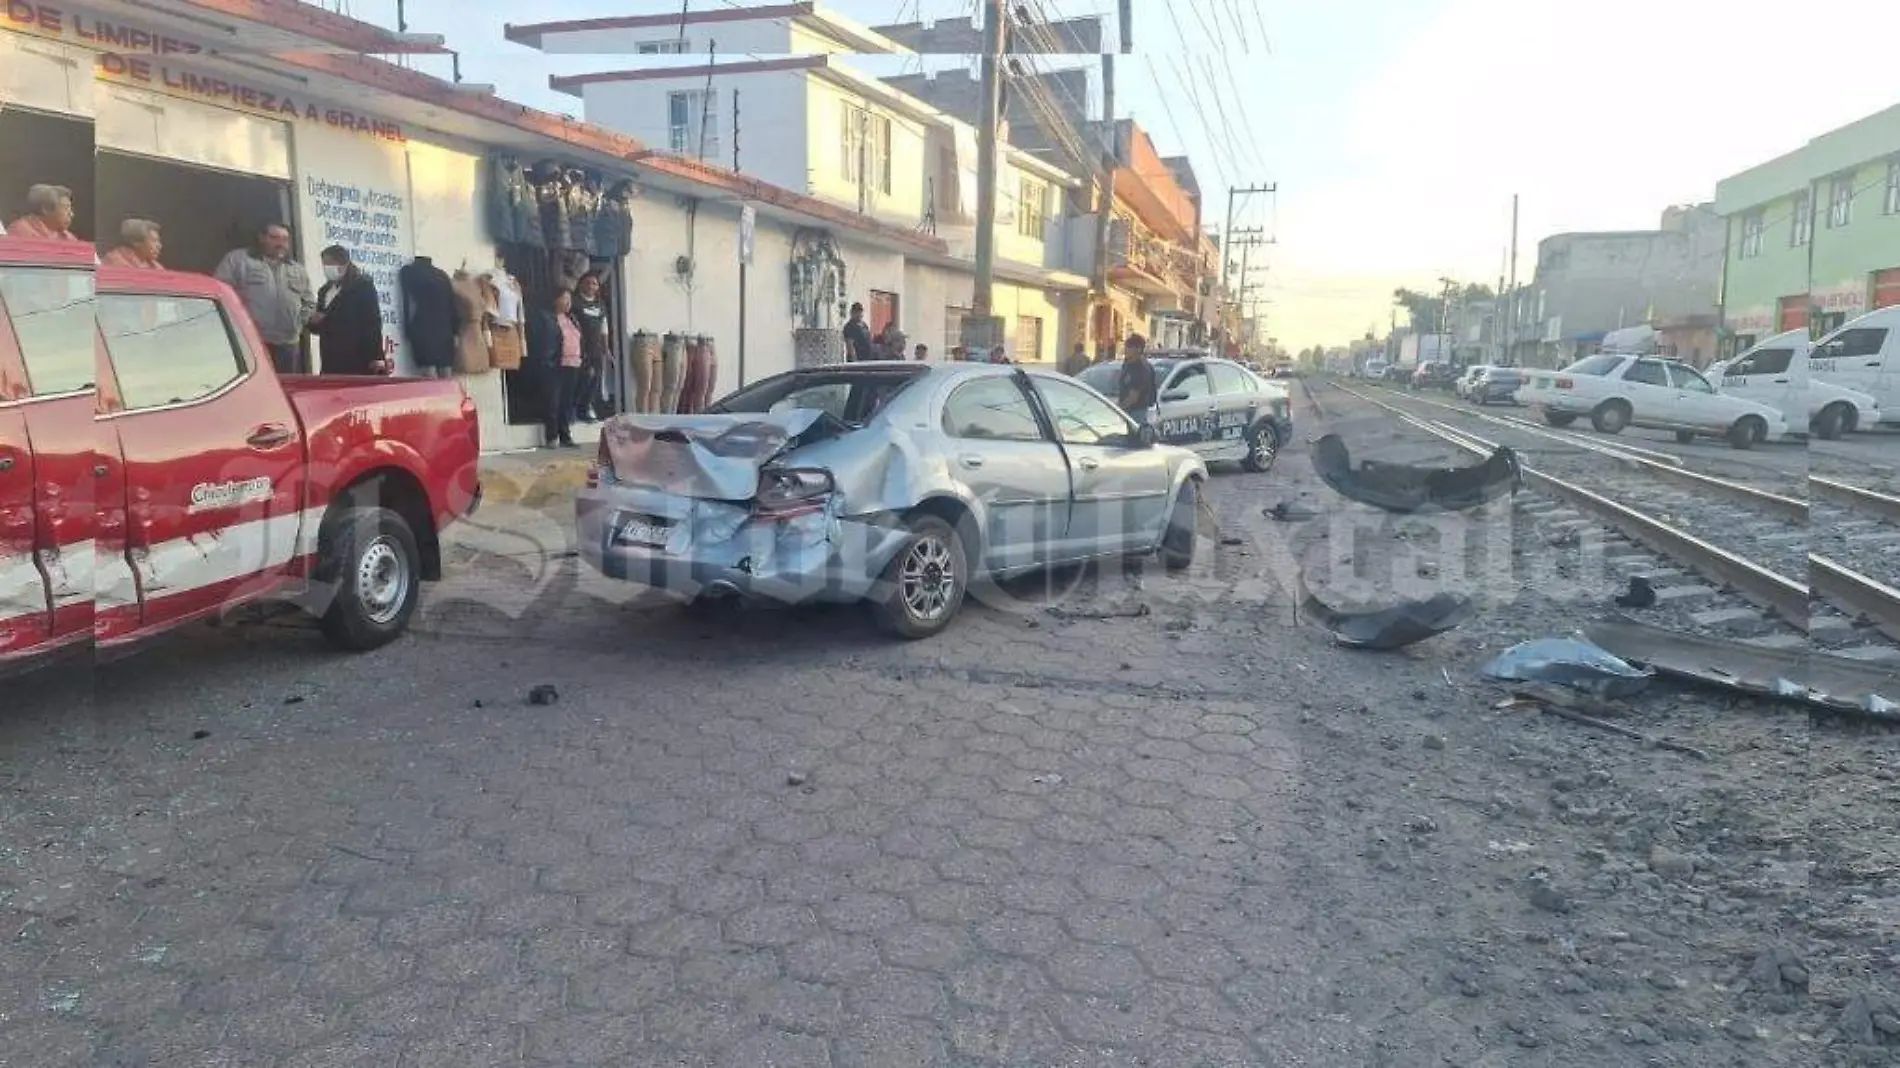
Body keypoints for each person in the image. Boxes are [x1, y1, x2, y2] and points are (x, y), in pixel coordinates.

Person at [215, 222, 314, 374]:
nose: (280, 244)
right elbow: (219, 294)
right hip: (251, 342)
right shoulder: (237, 260)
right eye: (275, 238)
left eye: (285, 239)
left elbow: (309, 302)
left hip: (288, 344)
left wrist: (298, 323)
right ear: (261, 238)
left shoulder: (297, 269)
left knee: (285, 388)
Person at [309, 246, 385, 375]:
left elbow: (372, 322)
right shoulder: (324, 291)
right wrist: (313, 322)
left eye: (330, 263)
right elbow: (319, 324)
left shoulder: (362, 286)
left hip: (356, 354)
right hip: (330, 356)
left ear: (343, 264)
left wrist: (376, 356)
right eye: (324, 264)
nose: (326, 268)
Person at [527, 291, 579, 448]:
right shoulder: (546, 317)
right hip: (554, 364)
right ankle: (552, 436)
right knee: (552, 402)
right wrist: (545, 359)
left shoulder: (572, 318)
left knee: (566, 402)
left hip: (573, 363)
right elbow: (540, 340)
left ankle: (565, 435)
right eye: (564, 298)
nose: (568, 302)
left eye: (569, 299)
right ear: (555, 299)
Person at [570, 272, 612, 422]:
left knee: (595, 379)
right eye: (588, 282)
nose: (591, 286)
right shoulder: (575, 302)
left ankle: (586, 407)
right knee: (581, 378)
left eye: (594, 283)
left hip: (596, 348)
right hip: (579, 347)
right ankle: (573, 408)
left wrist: (606, 348)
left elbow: (604, 327)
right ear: (581, 284)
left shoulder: (600, 305)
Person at [8, 185, 77, 241]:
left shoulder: (68, 237)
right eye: (66, 208)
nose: (71, 214)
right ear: (46, 209)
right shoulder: (21, 231)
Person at [1117, 333, 1158, 425]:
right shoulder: (1128, 364)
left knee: (1134, 437)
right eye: (1126, 346)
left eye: (1129, 347)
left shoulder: (1141, 367)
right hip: (1127, 412)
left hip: (1136, 412)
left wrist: (1118, 409)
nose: (1126, 350)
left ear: (1138, 349)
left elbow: (1133, 397)